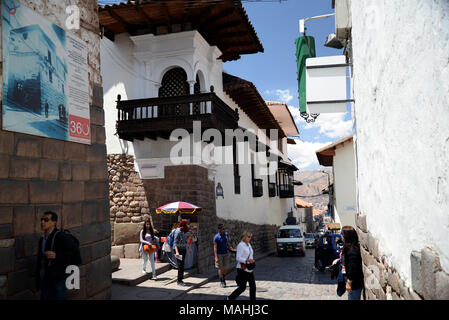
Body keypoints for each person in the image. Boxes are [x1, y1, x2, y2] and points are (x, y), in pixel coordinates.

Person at [36, 211, 74, 300]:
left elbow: (71, 254)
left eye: (46, 220)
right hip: (45, 277)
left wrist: (56, 256)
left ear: (54, 222)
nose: (42, 222)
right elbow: (40, 259)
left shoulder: (60, 236)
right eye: (41, 219)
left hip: (58, 278)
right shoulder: (42, 239)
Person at [225, 231, 256, 300]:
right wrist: (247, 260)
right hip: (242, 269)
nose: (250, 238)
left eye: (251, 237)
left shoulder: (249, 244)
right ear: (244, 237)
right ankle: (230, 298)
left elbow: (250, 254)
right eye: (248, 237)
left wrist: (251, 261)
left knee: (253, 286)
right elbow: (238, 258)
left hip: (249, 268)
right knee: (242, 287)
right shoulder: (241, 245)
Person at [341, 225, 364, 300]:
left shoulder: (352, 250)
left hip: (355, 283)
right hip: (355, 282)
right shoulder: (351, 247)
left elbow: (353, 267)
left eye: (342, 234)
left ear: (347, 236)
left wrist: (349, 282)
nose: (341, 236)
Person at [213, 223, 236, 288]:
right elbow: (215, 247)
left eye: (224, 228)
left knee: (226, 268)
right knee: (220, 268)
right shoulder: (216, 237)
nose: (224, 230)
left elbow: (226, 242)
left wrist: (230, 247)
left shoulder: (225, 234)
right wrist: (216, 257)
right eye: (223, 229)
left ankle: (223, 276)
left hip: (225, 253)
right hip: (219, 254)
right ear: (219, 230)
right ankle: (222, 281)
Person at [173, 219, 189, 286]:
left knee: (182, 265)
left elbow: (185, 241)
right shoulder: (178, 231)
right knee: (180, 266)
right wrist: (177, 252)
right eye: (186, 224)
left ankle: (181, 279)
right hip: (178, 250)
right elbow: (175, 243)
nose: (187, 225)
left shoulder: (184, 231)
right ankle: (179, 281)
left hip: (183, 249)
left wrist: (188, 247)